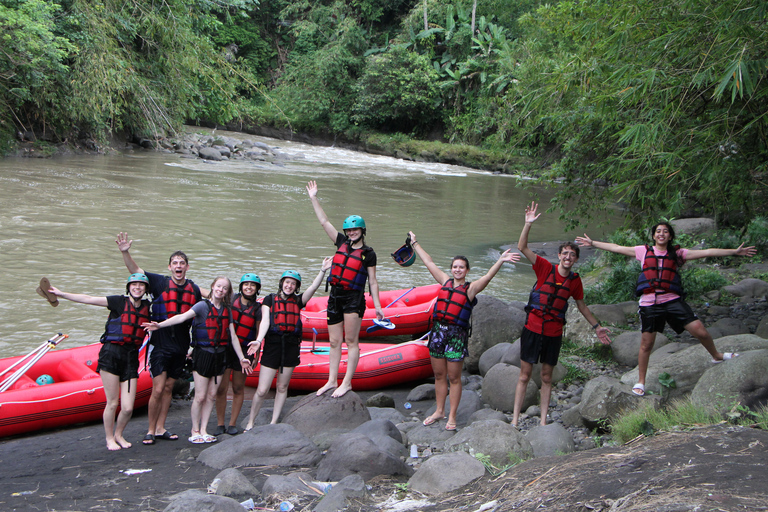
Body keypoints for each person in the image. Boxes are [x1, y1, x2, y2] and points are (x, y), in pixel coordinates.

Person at [575, 221, 756, 396]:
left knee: (700, 331)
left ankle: (716, 355)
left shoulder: (678, 254)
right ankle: (641, 381)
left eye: (665, 231)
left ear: (670, 236)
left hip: (672, 301)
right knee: (647, 344)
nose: (661, 234)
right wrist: (593, 243)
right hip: (650, 303)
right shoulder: (643, 251)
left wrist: (734, 251)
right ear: (654, 236)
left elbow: (707, 252)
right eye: (658, 231)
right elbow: (616, 247)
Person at [410, 232, 521, 431]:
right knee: (439, 375)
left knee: (454, 378)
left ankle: (452, 416)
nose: (458, 269)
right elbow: (429, 262)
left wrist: (500, 260)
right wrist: (415, 243)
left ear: (467, 270)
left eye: (461, 267)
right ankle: (439, 411)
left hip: (456, 336)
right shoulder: (445, 281)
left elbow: (487, 277)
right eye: (455, 266)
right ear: (451, 269)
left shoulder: (470, 289)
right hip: (438, 333)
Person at [514, 202, 611, 426]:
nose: (568, 257)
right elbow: (522, 247)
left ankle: (543, 421)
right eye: (565, 253)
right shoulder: (544, 267)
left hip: (553, 333)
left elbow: (582, 306)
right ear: (559, 255)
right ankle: (515, 420)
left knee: (547, 377)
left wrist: (597, 328)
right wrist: (528, 224)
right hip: (532, 328)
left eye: (572, 255)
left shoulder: (575, 281)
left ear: (576, 259)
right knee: (524, 375)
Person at [116, 232, 203, 445]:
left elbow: (202, 314)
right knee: (157, 388)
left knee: (168, 388)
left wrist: (193, 347)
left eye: (182, 263)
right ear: (169, 267)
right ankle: (150, 429)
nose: (178, 266)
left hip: (181, 345)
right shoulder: (158, 283)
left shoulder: (194, 289)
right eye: (175, 263)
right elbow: (135, 271)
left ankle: (161, 428)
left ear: (187, 267)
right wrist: (125, 252)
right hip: (160, 343)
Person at [48, 274, 152, 450]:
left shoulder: (149, 308)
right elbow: (88, 299)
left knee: (128, 408)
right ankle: (109, 438)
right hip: (111, 354)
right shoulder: (118, 302)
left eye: (141, 285)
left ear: (146, 289)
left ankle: (119, 434)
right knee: (112, 402)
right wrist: (62, 294)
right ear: (128, 287)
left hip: (130, 357)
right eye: (134, 284)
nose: (137, 287)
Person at [144, 276, 252, 443]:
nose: (221, 290)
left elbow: (233, 336)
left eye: (224, 288)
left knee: (211, 395)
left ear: (227, 292)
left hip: (220, 356)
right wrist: (160, 325)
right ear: (213, 287)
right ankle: (194, 430)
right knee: (200, 396)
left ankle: (204, 429)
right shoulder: (202, 306)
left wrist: (242, 358)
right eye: (218, 286)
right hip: (202, 355)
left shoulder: (227, 310)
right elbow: (182, 317)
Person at [306, 181, 383, 398]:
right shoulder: (340, 242)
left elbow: (373, 281)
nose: (351, 233)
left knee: (351, 341)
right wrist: (313, 198)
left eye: (355, 230)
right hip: (335, 296)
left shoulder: (369, 254)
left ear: (362, 231)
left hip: (353, 299)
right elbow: (324, 222)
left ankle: (347, 382)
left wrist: (378, 306)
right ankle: (332, 380)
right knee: (334, 341)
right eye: (349, 230)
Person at [245, 259, 332, 430]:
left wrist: (322, 271)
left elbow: (313, 288)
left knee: (282, 386)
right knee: (262, 390)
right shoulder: (269, 300)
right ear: (282, 283)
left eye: (293, 284)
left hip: (291, 346)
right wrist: (259, 340)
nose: (289, 286)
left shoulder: (299, 301)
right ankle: (250, 422)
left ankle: (273, 422)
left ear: (296, 287)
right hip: (273, 346)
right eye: (287, 282)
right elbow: (265, 321)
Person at [214, 273, 262, 436]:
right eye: (246, 284)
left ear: (256, 289)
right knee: (221, 388)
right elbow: (211, 296)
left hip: (245, 350)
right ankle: (220, 423)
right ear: (241, 286)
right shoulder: (230, 299)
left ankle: (232, 423)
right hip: (226, 347)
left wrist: (256, 354)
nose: (249, 287)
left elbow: (258, 331)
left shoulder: (257, 309)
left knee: (238, 387)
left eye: (252, 285)